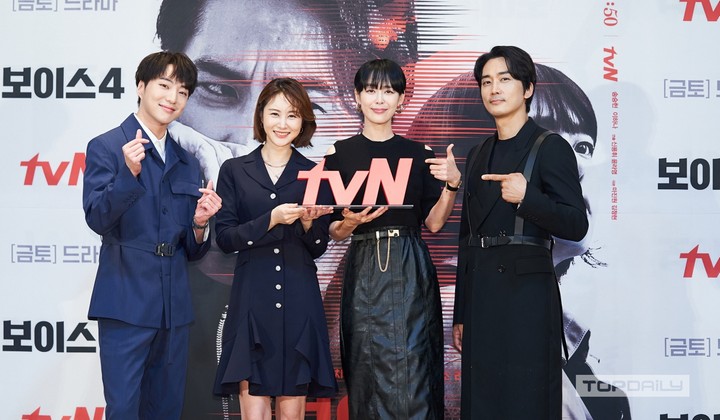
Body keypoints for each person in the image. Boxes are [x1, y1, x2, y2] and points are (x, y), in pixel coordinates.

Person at [82, 51, 222, 419]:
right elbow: (97, 219)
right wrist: (127, 174)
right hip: (126, 300)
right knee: (124, 408)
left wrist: (200, 224)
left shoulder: (187, 161)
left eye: (183, 91)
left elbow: (192, 249)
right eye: (164, 85)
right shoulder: (108, 147)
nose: (172, 98)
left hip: (173, 307)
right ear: (141, 86)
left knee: (166, 409)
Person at [451, 46, 588, 419]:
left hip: (527, 297)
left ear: (527, 89)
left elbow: (576, 224)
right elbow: (467, 237)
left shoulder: (550, 146)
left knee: (527, 401)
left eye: (505, 79)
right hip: (482, 298)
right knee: (483, 402)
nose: (494, 89)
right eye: (486, 82)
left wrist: (528, 198)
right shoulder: (477, 153)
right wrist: (461, 312)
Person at [323, 58, 461, 419]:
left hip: (410, 265)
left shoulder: (419, 154)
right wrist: (350, 222)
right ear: (357, 97)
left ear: (401, 99)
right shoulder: (339, 154)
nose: (379, 99)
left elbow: (434, 223)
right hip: (364, 267)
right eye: (371, 90)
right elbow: (333, 229)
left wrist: (451, 185)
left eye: (388, 91)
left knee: (417, 365)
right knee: (365, 368)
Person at [212, 78, 338, 420]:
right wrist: (271, 220)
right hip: (252, 299)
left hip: (300, 298)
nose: (283, 124)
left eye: (292, 115)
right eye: (275, 113)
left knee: (291, 412)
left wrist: (309, 225)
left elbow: (319, 246)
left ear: (303, 121)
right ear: (261, 116)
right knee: (253, 412)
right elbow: (225, 238)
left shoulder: (314, 174)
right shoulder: (235, 170)